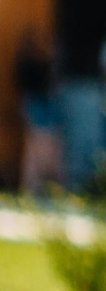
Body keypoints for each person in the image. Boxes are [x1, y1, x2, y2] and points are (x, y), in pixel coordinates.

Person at [13, 35, 61, 193]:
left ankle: (45, 183)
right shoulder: (28, 65)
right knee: (34, 146)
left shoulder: (46, 64)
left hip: (44, 107)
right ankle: (33, 185)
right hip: (35, 106)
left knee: (48, 144)